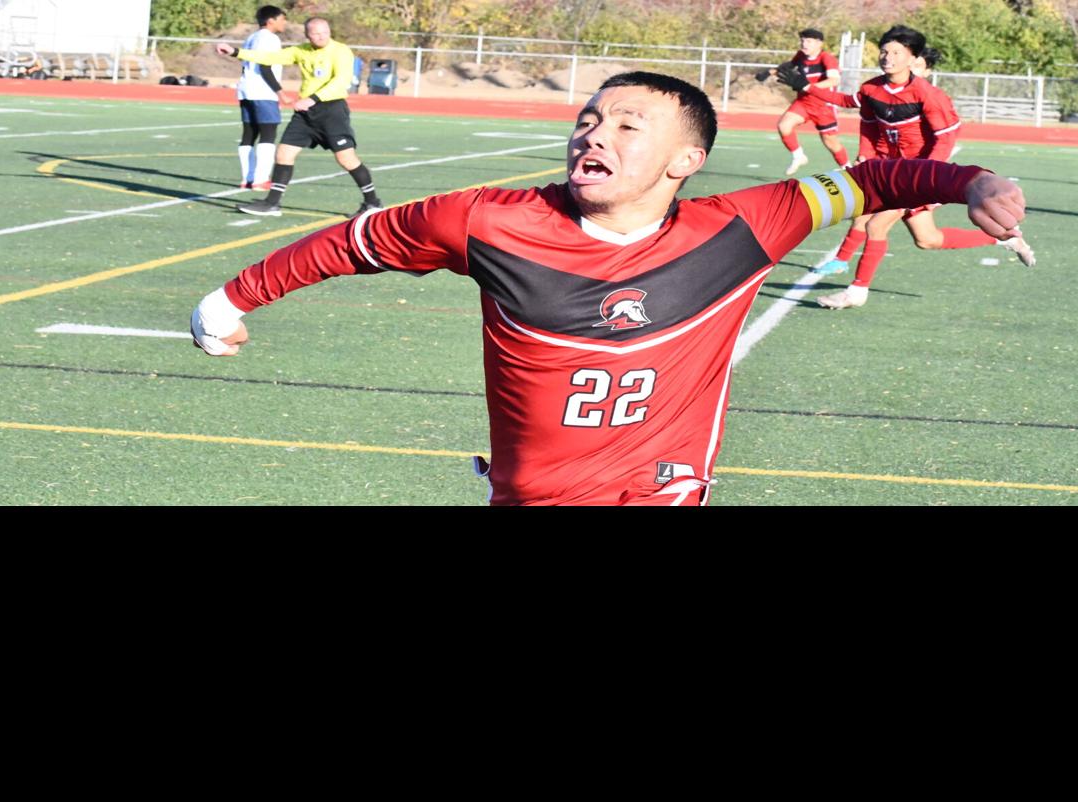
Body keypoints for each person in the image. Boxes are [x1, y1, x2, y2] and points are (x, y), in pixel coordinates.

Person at [189, 72, 1029, 506]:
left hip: (660, 487)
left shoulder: (744, 227)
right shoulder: (484, 223)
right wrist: (227, 302)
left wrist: (973, 181)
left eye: (628, 126)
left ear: (684, 162)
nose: (594, 135)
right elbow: (351, 243)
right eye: (589, 120)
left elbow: (875, 179)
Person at [782, 27, 1034, 309]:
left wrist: (927, 177)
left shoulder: (927, 95)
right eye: (884, 51)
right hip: (890, 170)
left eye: (896, 53)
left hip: (916, 176)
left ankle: (856, 290)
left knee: (875, 224)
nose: (887, 58)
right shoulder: (871, 88)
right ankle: (1001, 240)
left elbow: (946, 137)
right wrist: (863, 152)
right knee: (927, 239)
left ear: (912, 58)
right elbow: (859, 115)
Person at [215, 17, 383, 218]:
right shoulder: (300, 50)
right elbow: (269, 58)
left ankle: (372, 203)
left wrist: (313, 99)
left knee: (346, 159)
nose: (322, 36)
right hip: (305, 114)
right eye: (316, 33)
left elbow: (340, 82)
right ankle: (272, 203)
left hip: (332, 111)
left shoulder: (341, 51)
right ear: (307, 35)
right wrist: (235, 52)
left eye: (325, 32)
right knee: (284, 153)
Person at [769, 28, 849, 176]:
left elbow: (834, 80)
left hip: (823, 105)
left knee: (829, 141)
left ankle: (848, 168)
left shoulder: (827, 58)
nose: (804, 44)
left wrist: (809, 87)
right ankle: (799, 156)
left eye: (809, 41)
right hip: (803, 102)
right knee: (784, 125)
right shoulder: (800, 56)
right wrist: (769, 72)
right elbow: (789, 66)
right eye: (803, 40)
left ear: (819, 43)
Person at [233, 6, 287, 192]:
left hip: (246, 89)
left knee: (249, 134)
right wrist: (279, 91)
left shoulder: (252, 37)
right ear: (271, 20)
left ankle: (247, 179)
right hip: (263, 92)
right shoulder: (270, 38)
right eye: (282, 19)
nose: (284, 23)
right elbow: (265, 67)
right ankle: (261, 179)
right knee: (268, 134)